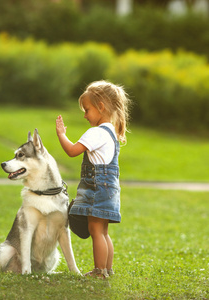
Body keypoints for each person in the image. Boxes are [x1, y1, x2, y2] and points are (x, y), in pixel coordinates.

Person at [56, 80, 130, 279]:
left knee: (95, 230)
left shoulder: (96, 132)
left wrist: (62, 135)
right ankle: (107, 269)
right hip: (109, 188)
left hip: (97, 189)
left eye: (87, 109)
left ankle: (99, 271)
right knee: (103, 231)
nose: (85, 115)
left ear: (101, 107)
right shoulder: (111, 134)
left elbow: (72, 151)